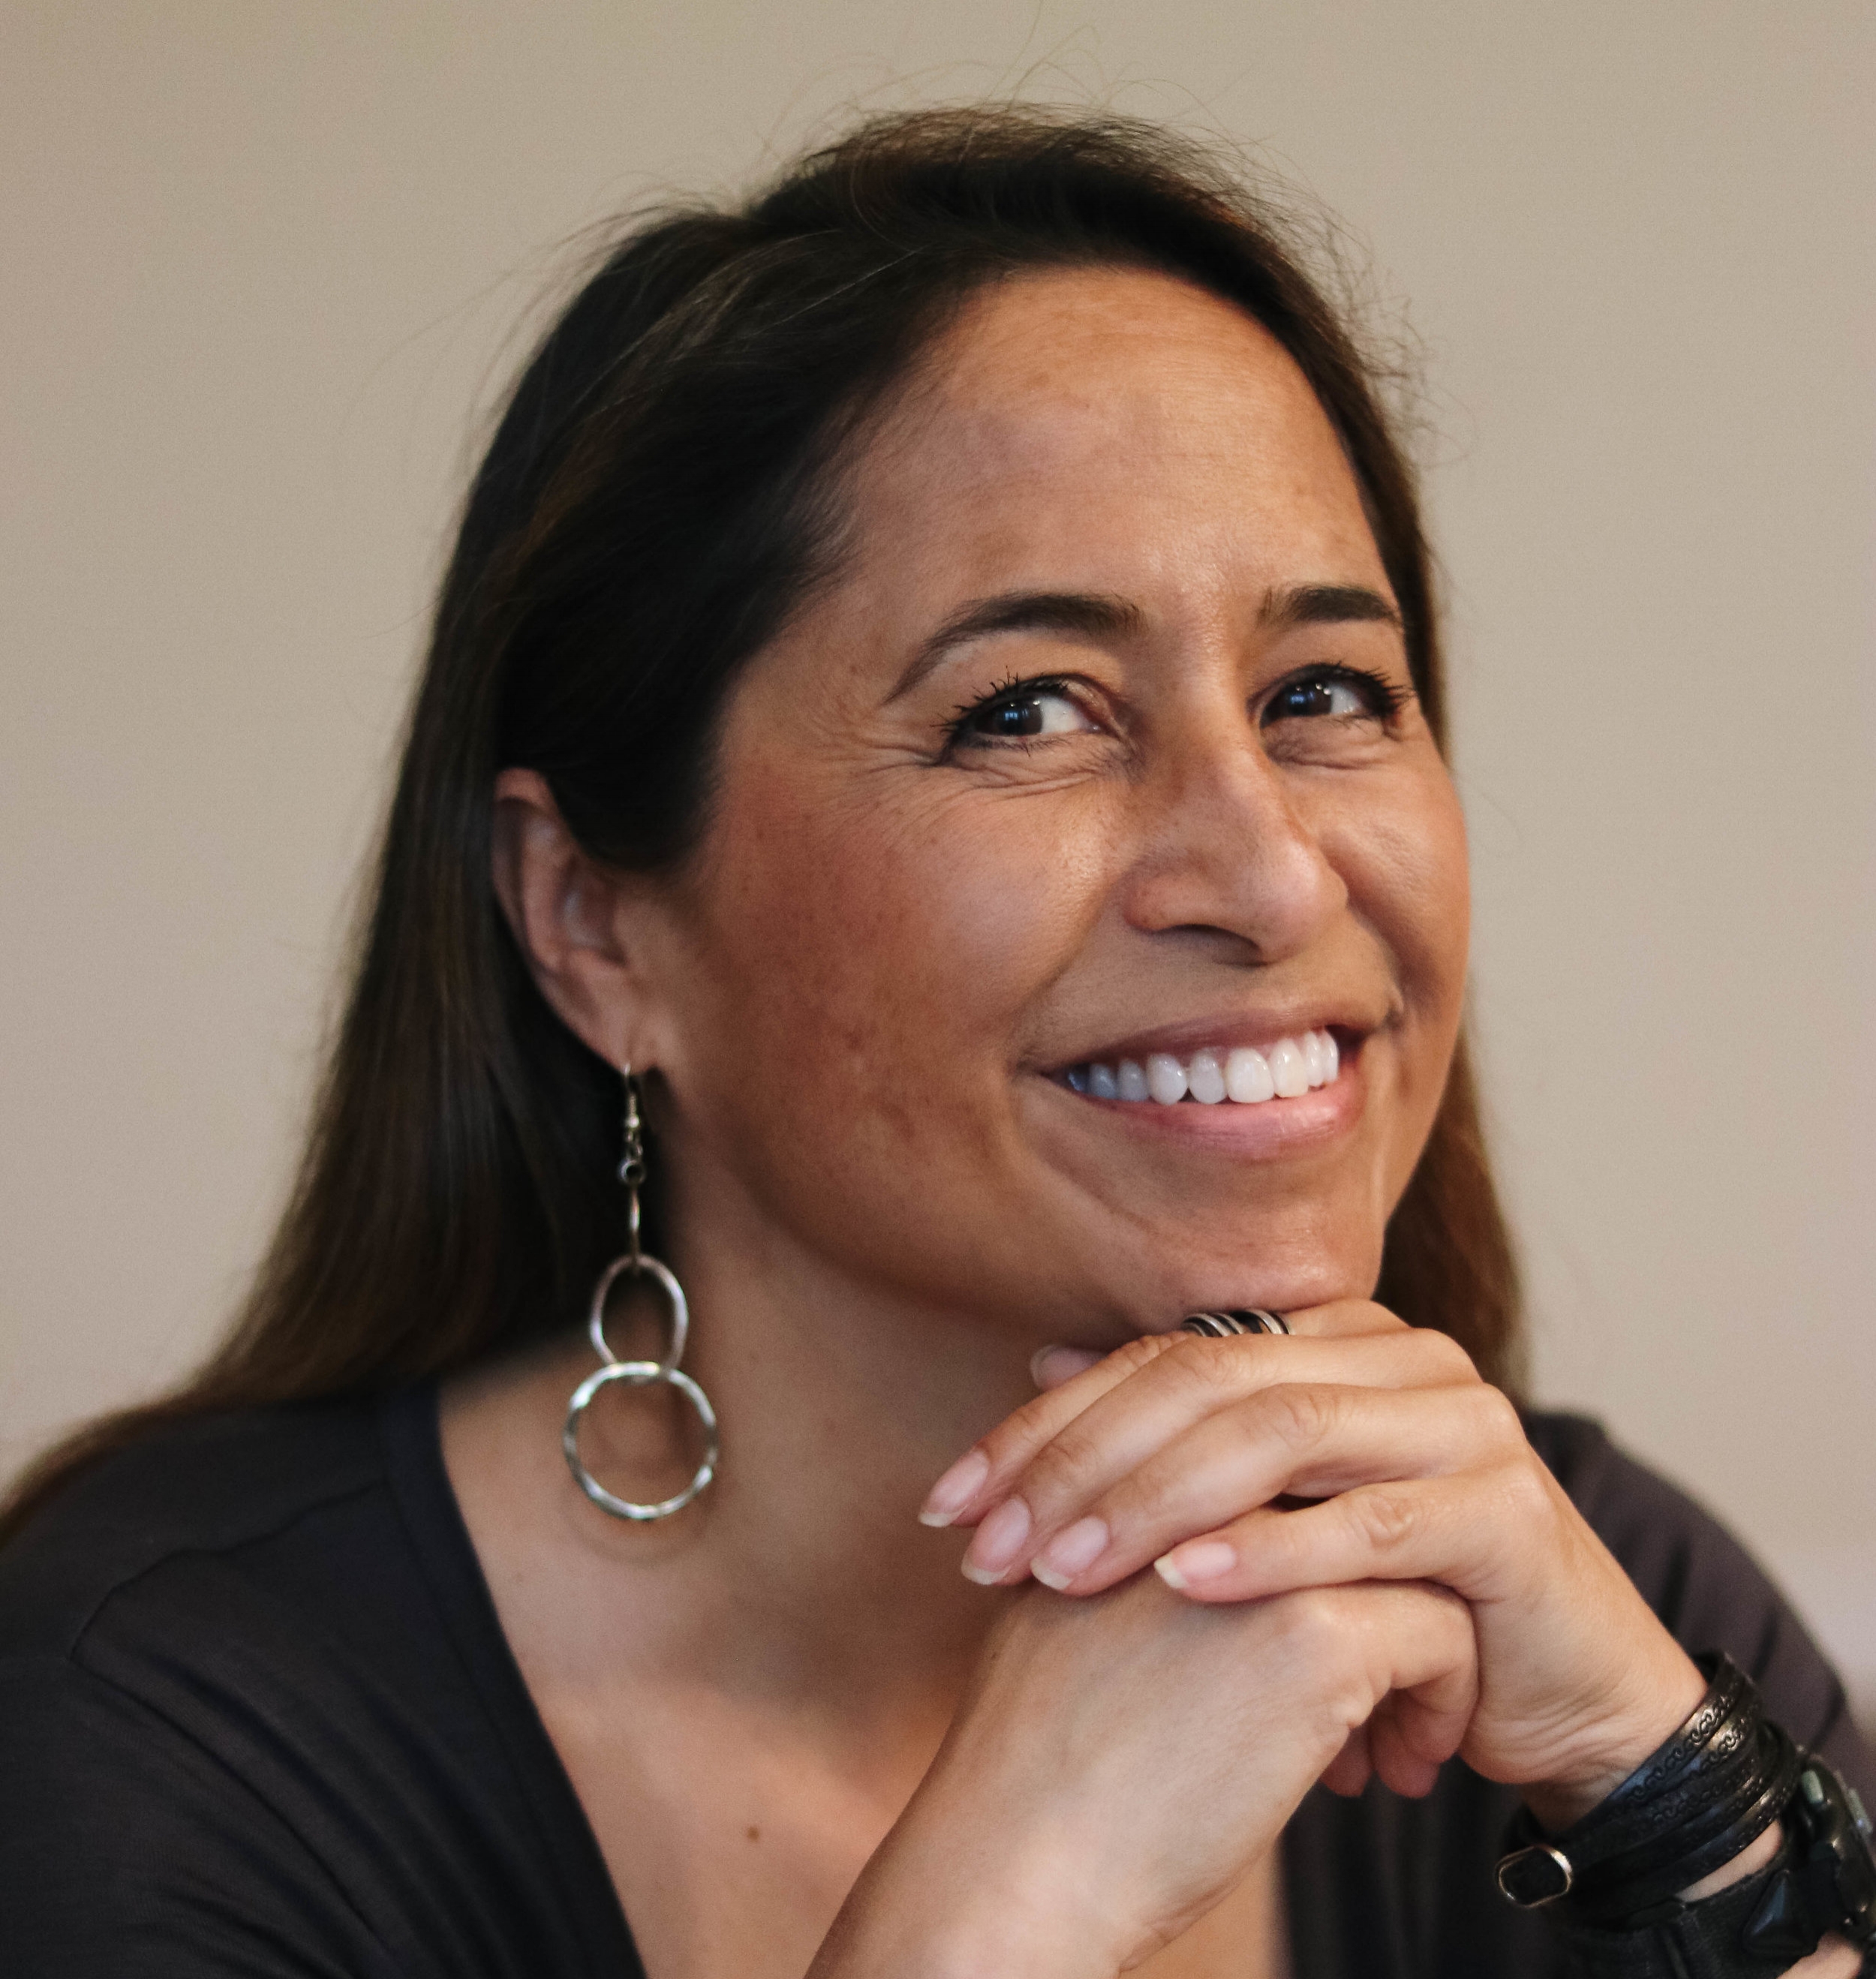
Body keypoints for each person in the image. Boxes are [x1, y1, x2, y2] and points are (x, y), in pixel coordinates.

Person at [0, 107, 1868, 1979]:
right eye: (1026, 711)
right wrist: (1007, 1901)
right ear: (591, 922)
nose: (1270, 873)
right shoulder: (153, 1734)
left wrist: (1676, 1801)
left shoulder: (1588, 1594)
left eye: (1321, 690)